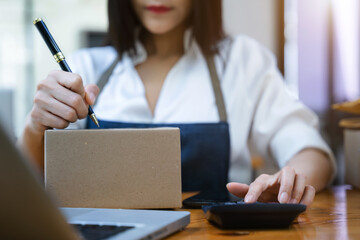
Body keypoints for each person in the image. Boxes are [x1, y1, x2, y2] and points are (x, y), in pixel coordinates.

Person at [20, 0, 335, 207]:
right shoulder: (82, 69)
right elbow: (27, 181)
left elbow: (310, 149)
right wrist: (36, 127)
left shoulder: (242, 61)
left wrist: (289, 181)